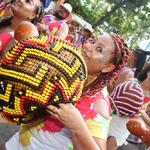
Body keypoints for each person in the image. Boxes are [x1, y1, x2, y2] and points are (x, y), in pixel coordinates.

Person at [0, 33, 130, 150]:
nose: (87, 46)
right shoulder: (65, 67)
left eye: (99, 49)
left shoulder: (98, 104)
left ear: (107, 67)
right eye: (93, 41)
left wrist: (77, 126)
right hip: (16, 142)